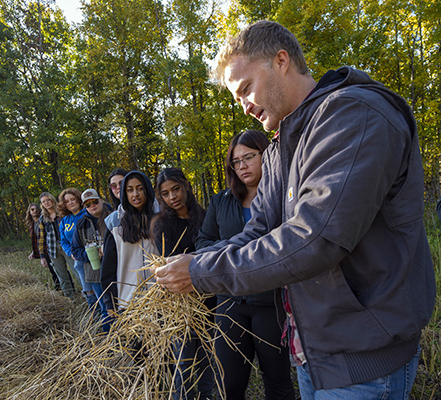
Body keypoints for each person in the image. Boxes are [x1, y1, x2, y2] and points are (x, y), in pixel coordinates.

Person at [155, 20, 435, 399]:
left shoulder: (354, 116)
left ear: (281, 61)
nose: (245, 107)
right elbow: (258, 231)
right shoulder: (281, 146)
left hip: (365, 359)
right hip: (313, 353)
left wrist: (201, 272)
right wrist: (188, 264)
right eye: (237, 98)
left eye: (246, 89)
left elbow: (316, 238)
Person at [195, 130, 294, 400]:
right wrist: (222, 258)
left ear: (266, 155)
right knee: (230, 384)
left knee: (278, 382)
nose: (242, 166)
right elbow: (204, 241)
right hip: (230, 305)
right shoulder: (221, 201)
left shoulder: (286, 198)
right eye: (236, 162)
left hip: (270, 303)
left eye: (249, 157)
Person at [150, 168, 212, 400]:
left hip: (210, 299)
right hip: (180, 306)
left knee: (209, 360)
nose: (172, 197)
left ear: (186, 185)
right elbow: (172, 265)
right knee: (184, 363)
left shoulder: (205, 217)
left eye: (176, 189)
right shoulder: (161, 224)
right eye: (165, 193)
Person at [101, 171, 158, 311]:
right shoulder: (113, 222)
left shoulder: (161, 219)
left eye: (140, 188)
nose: (135, 194)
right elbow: (108, 266)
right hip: (129, 301)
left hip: (160, 298)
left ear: (148, 190)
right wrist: (110, 301)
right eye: (130, 190)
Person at [71, 189, 112, 330]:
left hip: (117, 270)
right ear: (84, 207)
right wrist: (92, 255)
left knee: (122, 305)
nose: (92, 205)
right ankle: (110, 342)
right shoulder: (81, 224)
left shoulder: (113, 217)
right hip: (95, 275)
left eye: (95, 201)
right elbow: (75, 250)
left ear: (101, 200)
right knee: (106, 309)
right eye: (88, 204)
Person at [58, 188, 99, 311]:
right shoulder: (65, 221)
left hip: (93, 255)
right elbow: (63, 240)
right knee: (88, 289)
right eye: (67, 201)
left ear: (79, 200)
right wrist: (70, 252)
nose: (70, 203)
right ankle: (95, 316)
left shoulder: (88, 213)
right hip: (79, 259)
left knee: (99, 286)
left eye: (72, 199)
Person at [39, 192, 76, 298]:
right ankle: (70, 298)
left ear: (52, 200)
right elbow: (41, 238)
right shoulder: (43, 218)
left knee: (77, 271)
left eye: (48, 200)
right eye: (43, 202)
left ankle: (88, 295)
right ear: (42, 205)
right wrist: (42, 256)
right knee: (62, 276)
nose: (46, 203)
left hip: (67, 246)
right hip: (53, 249)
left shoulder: (62, 213)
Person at [25, 203, 60, 290]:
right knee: (52, 270)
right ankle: (58, 288)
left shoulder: (43, 220)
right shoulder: (32, 225)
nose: (35, 211)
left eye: (36, 209)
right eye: (32, 209)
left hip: (50, 247)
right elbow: (37, 239)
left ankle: (63, 287)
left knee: (57, 269)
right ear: (29, 212)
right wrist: (34, 252)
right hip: (43, 249)